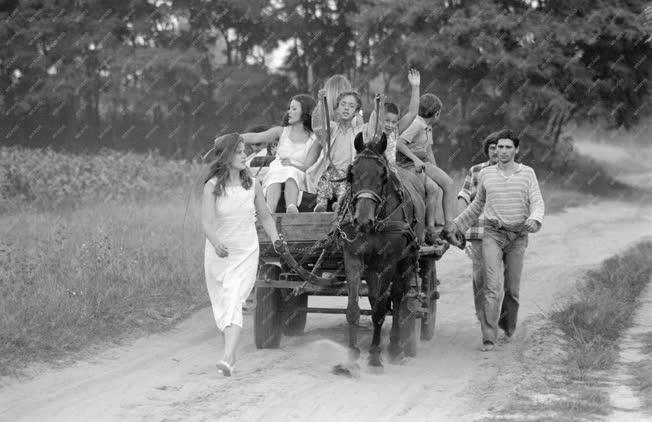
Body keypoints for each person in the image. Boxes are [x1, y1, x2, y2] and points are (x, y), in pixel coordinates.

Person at [453, 129, 545, 351]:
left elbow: (537, 202)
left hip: (518, 236)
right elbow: (477, 205)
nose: (502, 151)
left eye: (507, 147)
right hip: (492, 234)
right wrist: (456, 225)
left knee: (511, 289)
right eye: (499, 147)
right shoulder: (485, 174)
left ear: (516, 150)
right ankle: (489, 336)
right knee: (492, 287)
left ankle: (508, 325)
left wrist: (535, 219)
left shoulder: (527, 173)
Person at [201, 133, 282, 376]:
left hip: (246, 252)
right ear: (226, 156)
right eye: (238, 151)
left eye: (244, 150)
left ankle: (228, 356)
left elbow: (265, 217)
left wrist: (276, 239)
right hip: (219, 254)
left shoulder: (253, 184)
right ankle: (229, 348)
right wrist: (215, 242)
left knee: (234, 299)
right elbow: (206, 223)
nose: (244, 155)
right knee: (223, 302)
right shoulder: (212, 186)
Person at [396, 93, 460, 242]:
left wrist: (437, 172)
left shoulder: (427, 126)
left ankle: (449, 227)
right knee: (432, 189)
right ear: (437, 113)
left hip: (423, 162)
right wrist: (415, 159)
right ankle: (429, 229)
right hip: (407, 164)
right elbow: (399, 143)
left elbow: (428, 151)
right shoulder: (417, 124)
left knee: (448, 183)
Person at [240, 94, 320, 213]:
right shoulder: (281, 131)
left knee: (290, 172)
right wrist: (233, 138)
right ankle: (269, 209)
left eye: (294, 109)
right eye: (289, 108)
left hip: (299, 173)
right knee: (276, 172)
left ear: (305, 112)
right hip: (277, 170)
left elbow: (308, 167)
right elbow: (256, 137)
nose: (289, 112)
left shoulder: (315, 139)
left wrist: (292, 165)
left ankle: (291, 207)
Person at [456, 133, 500, 323]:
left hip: (503, 234)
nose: (497, 151)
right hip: (478, 232)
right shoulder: (476, 171)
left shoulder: (515, 173)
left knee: (498, 278)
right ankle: (482, 316)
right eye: (492, 147)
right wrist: (459, 223)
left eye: (501, 147)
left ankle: (495, 318)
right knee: (479, 276)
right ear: (487, 150)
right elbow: (464, 195)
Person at [308, 90, 364, 212]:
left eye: (351, 106)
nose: (346, 108)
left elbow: (375, 129)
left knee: (345, 192)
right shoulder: (331, 128)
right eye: (343, 104)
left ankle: (339, 204)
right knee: (323, 188)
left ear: (356, 112)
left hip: (346, 176)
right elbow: (318, 124)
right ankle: (321, 205)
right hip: (329, 174)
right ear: (337, 109)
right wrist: (321, 102)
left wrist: (378, 105)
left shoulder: (359, 132)